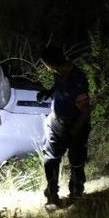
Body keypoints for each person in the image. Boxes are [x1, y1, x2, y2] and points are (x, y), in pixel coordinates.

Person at [36, 44, 92, 209]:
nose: (48, 69)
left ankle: (76, 195)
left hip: (76, 125)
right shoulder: (59, 73)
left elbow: (85, 110)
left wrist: (74, 131)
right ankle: (52, 194)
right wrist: (48, 93)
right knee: (51, 158)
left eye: (47, 65)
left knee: (76, 161)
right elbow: (58, 86)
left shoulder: (78, 79)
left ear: (52, 63)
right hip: (56, 122)